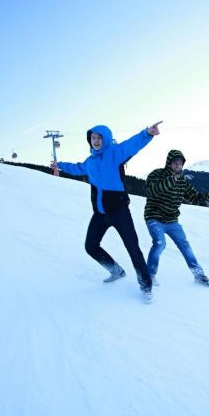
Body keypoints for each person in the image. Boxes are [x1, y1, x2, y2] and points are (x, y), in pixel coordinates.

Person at [51, 121, 162, 303]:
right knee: (90, 246)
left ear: (106, 138)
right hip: (100, 213)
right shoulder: (90, 161)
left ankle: (146, 286)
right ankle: (116, 270)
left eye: (99, 137)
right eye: (93, 138)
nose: (95, 141)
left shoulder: (115, 153)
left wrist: (147, 133)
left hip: (119, 211)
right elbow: (77, 167)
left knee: (132, 247)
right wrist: (60, 165)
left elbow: (132, 144)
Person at [144, 149, 209, 287]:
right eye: (175, 163)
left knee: (185, 246)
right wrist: (170, 180)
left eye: (180, 163)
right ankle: (149, 276)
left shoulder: (182, 182)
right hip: (154, 217)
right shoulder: (156, 174)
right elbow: (151, 191)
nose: (177, 166)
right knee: (159, 244)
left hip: (172, 220)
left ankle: (199, 275)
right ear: (169, 163)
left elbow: (194, 196)